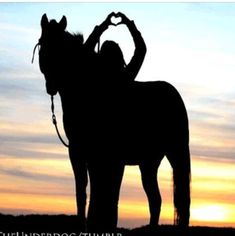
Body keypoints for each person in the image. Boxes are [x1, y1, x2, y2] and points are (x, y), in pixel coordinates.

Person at [84, 12, 147, 232]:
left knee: (96, 199)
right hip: (116, 150)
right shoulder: (124, 78)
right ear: (119, 59)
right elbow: (141, 51)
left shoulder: (94, 79)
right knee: (111, 201)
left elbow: (85, 51)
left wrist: (102, 27)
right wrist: (129, 25)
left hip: (95, 148)